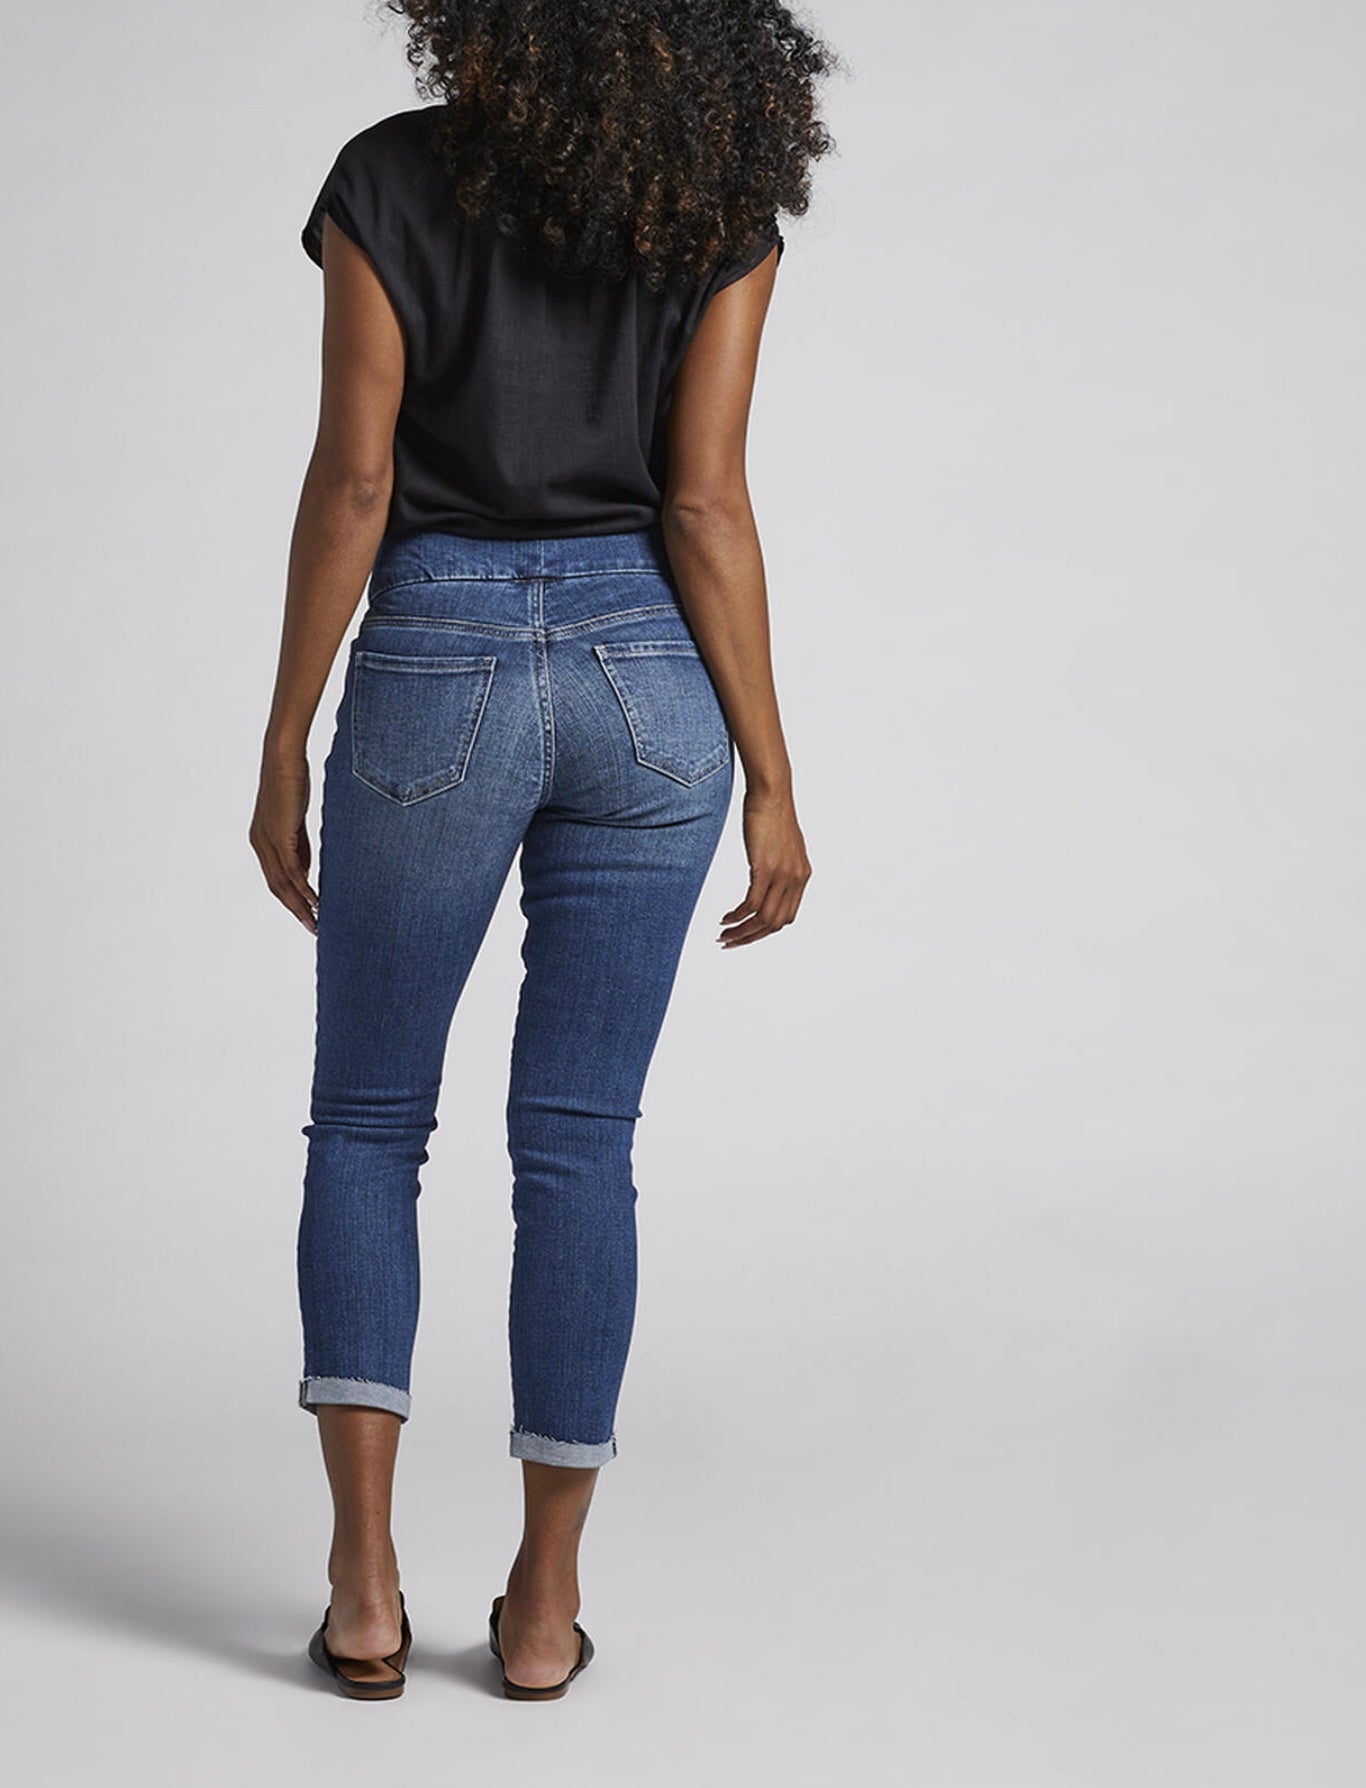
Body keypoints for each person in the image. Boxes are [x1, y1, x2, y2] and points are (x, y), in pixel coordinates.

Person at [249, 0, 841, 1701]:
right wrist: (776, 781)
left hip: (434, 657)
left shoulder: (388, 178)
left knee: (368, 1121)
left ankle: (365, 1590)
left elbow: (355, 483)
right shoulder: (721, 196)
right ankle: (539, 1604)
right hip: (652, 675)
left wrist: (290, 730)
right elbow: (706, 500)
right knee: (579, 1143)